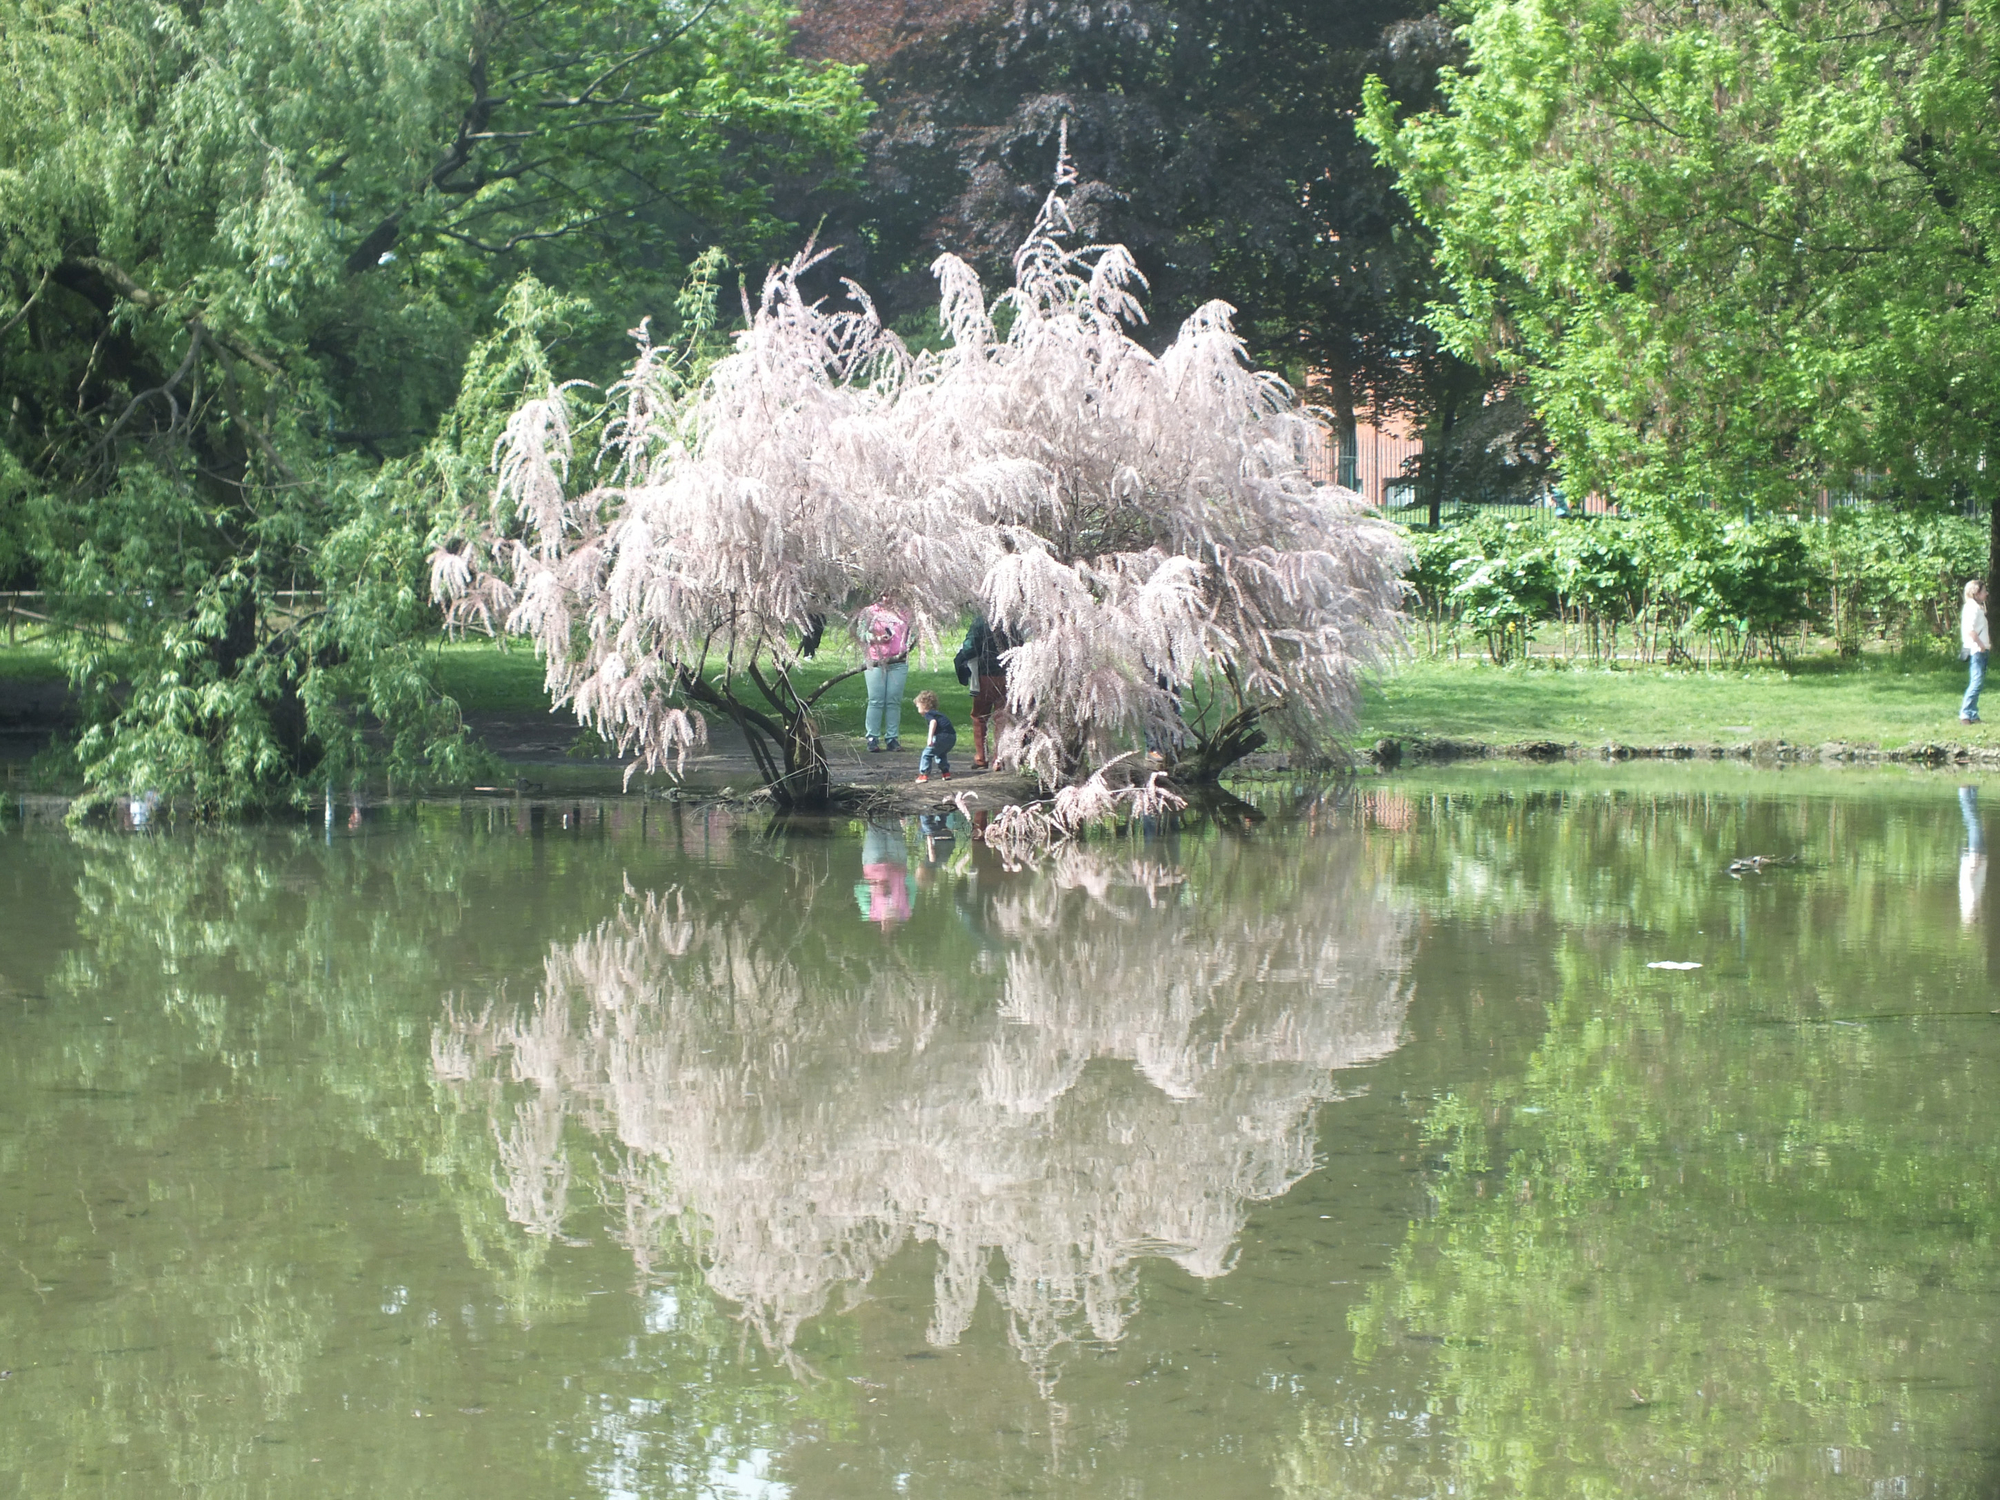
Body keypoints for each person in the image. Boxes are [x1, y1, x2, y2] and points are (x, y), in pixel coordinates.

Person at [953, 614, 1014, 770]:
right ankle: (999, 759)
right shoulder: (1012, 620)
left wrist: (960, 660)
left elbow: (970, 647)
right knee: (1002, 716)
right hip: (1008, 673)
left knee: (980, 716)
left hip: (984, 675)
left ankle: (981, 757)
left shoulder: (981, 621)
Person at [856, 593, 913, 751]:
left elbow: (912, 632)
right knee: (876, 700)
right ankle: (872, 737)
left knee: (893, 700)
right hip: (875, 660)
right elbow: (861, 633)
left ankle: (892, 738)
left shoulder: (904, 612)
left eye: (890, 594)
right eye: (884, 595)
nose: (887, 598)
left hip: (898, 661)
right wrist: (876, 639)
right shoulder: (870, 612)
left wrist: (906, 647)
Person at [1962, 579, 1990, 725]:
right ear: (1976, 593)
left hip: (1980, 649)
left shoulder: (1976, 607)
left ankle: (1972, 714)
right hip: (1977, 650)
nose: (1986, 593)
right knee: (1976, 682)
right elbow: (1970, 629)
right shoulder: (1972, 608)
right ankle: (1965, 714)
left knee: (1978, 682)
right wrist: (1980, 645)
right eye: (1984, 591)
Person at [913, 688, 955, 782]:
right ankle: (946, 773)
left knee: (926, 754)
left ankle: (923, 775)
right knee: (940, 753)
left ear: (924, 705)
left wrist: (930, 738)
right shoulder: (938, 714)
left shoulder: (929, 714)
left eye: (918, 706)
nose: (917, 708)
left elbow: (933, 722)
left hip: (942, 736)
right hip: (952, 737)